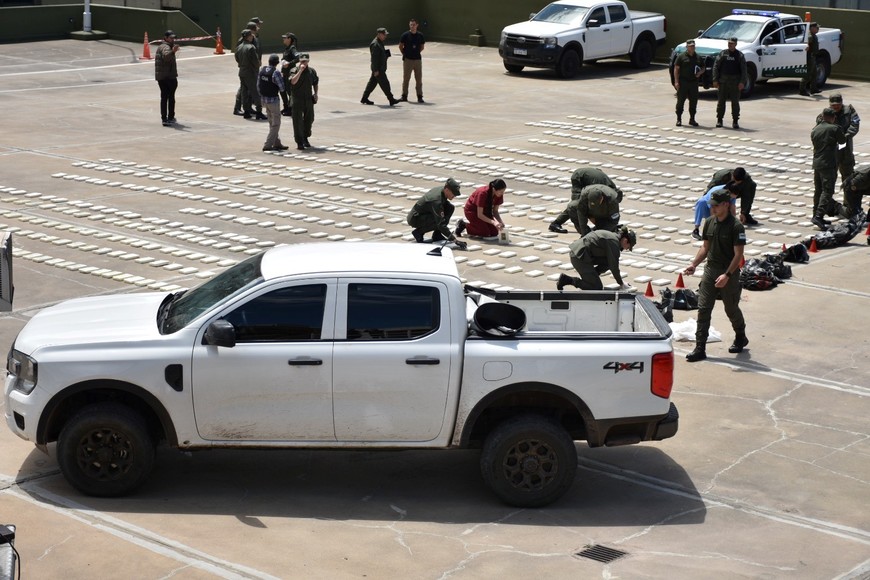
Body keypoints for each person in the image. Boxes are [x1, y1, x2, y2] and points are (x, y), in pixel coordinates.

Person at [683, 189, 748, 362]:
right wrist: (694, 264)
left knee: (731, 309)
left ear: (726, 205)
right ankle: (700, 347)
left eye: (716, 205)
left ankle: (740, 335)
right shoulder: (710, 222)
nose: (712, 208)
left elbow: (738, 255)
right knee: (703, 309)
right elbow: (705, 247)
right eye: (711, 205)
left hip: (729, 273)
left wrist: (727, 275)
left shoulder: (736, 227)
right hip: (710, 271)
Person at [556, 227, 637, 291]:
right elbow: (614, 266)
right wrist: (621, 283)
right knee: (596, 287)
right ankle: (568, 280)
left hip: (583, 254)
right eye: (628, 247)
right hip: (580, 256)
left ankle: (592, 277)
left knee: (608, 262)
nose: (626, 249)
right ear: (626, 241)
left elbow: (610, 262)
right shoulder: (614, 243)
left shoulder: (613, 237)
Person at [549, 167, 623, 233]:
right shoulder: (605, 190)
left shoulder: (608, 190)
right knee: (576, 205)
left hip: (587, 176)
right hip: (579, 177)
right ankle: (556, 223)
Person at [811, 107, 846, 229]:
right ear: (833, 117)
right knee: (827, 190)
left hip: (817, 163)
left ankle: (815, 214)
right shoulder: (835, 128)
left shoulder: (815, 129)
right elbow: (843, 143)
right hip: (828, 164)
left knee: (818, 190)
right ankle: (819, 216)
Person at [407, 178, 467, 249]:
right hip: (415, 218)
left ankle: (437, 234)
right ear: (447, 190)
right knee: (439, 221)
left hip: (424, 213)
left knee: (450, 207)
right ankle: (418, 232)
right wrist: (455, 240)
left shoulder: (442, 190)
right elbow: (441, 224)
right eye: (453, 194)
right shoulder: (436, 201)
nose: (454, 196)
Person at [816, 93, 861, 181]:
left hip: (846, 146)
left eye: (838, 105)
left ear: (841, 103)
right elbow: (820, 125)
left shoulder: (849, 111)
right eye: (833, 105)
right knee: (830, 174)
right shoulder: (827, 113)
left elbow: (855, 125)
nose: (836, 107)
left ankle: (848, 194)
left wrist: (846, 136)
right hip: (832, 147)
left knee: (848, 173)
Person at [712, 37, 747, 129]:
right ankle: (719, 120)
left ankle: (735, 121)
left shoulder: (740, 55)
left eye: (732, 43)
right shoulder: (723, 54)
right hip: (723, 82)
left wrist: (742, 82)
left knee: (735, 103)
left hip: (735, 83)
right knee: (721, 102)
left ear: (735, 44)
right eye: (729, 43)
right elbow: (716, 66)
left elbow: (744, 70)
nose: (730, 45)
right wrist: (715, 80)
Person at [257, 54, 289, 152]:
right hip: (273, 101)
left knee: (271, 122)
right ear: (277, 63)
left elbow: (258, 85)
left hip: (264, 100)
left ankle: (277, 143)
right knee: (276, 124)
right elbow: (282, 88)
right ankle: (268, 144)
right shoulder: (276, 73)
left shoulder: (262, 70)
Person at [361, 27, 399, 106]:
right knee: (385, 84)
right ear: (379, 34)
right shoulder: (376, 44)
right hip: (378, 69)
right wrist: (376, 70)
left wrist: (385, 55)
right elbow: (374, 59)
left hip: (379, 68)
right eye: (384, 34)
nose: (385, 36)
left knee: (372, 84)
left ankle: (364, 98)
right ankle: (391, 99)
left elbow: (379, 55)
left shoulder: (380, 42)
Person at [289, 53, 319, 150]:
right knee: (297, 121)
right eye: (302, 61)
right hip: (297, 99)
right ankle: (299, 141)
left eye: (305, 61)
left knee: (309, 119)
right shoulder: (294, 70)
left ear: (308, 61)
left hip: (308, 99)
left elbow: (315, 83)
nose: (304, 63)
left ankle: (305, 137)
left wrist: (316, 93)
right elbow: (293, 81)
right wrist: (300, 71)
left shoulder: (312, 71)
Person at [236, 29, 266, 120]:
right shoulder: (251, 47)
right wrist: (257, 65)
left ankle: (246, 111)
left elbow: (237, 59)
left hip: (242, 71)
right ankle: (259, 111)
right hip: (250, 72)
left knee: (244, 92)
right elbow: (256, 62)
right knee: (255, 92)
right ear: (248, 36)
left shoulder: (239, 47)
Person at [673, 39, 704, 127]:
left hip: (694, 83)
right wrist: (676, 81)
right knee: (680, 101)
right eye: (690, 46)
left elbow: (703, 67)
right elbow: (676, 69)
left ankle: (692, 119)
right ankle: (679, 119)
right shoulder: (681, 57)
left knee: (694, 101)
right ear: (687, 47)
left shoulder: (698, 57)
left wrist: (700, 72)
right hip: (683, 82)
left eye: (693, 46)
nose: (692, 47)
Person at [154, 30, 179, 127]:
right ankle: (170, 117)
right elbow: (166, 56)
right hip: (168, 77)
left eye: (173, 38)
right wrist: (173, 51)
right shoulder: (165, 47)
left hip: (162, 76)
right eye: (171, 38)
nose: (173, 39)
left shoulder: (162, 46)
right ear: (165, 38)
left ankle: (165, 118)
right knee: (170, 97)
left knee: (164, 97)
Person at [399, 18, 425, 103]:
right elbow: (400, 46)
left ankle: (420, 96)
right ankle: (404, 96)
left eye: (414, 25)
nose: (412, 26)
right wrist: (405, 54)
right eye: (411, 25)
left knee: (419, 79)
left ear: (417, 25)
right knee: (406, 78)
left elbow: (422, 47)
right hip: (408, 60)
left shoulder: (420, 35)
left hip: (417, 60)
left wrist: (416, 53)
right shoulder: (405, 35)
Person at [279, 33, 300, 116]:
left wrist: (289, 63)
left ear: (289, 39)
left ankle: (291, 109)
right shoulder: (287, 48)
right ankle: (286, 107)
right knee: (283, 91)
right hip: (284, 73)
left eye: (285, 38)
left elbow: (298, 58)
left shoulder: (292, 48)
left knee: (289, 91)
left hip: (290, 74)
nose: (283, 39)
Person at [799, 22, 820, 96]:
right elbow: (806, 42)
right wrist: (807, 45)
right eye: (816, 28)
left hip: (813, 56)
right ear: (812, 28)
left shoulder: (814, 35)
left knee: (814, 74)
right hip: (809, 57)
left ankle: (813, 89)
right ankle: (802, 90)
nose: (818, 29)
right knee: (808, 74)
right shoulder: (810, 36)